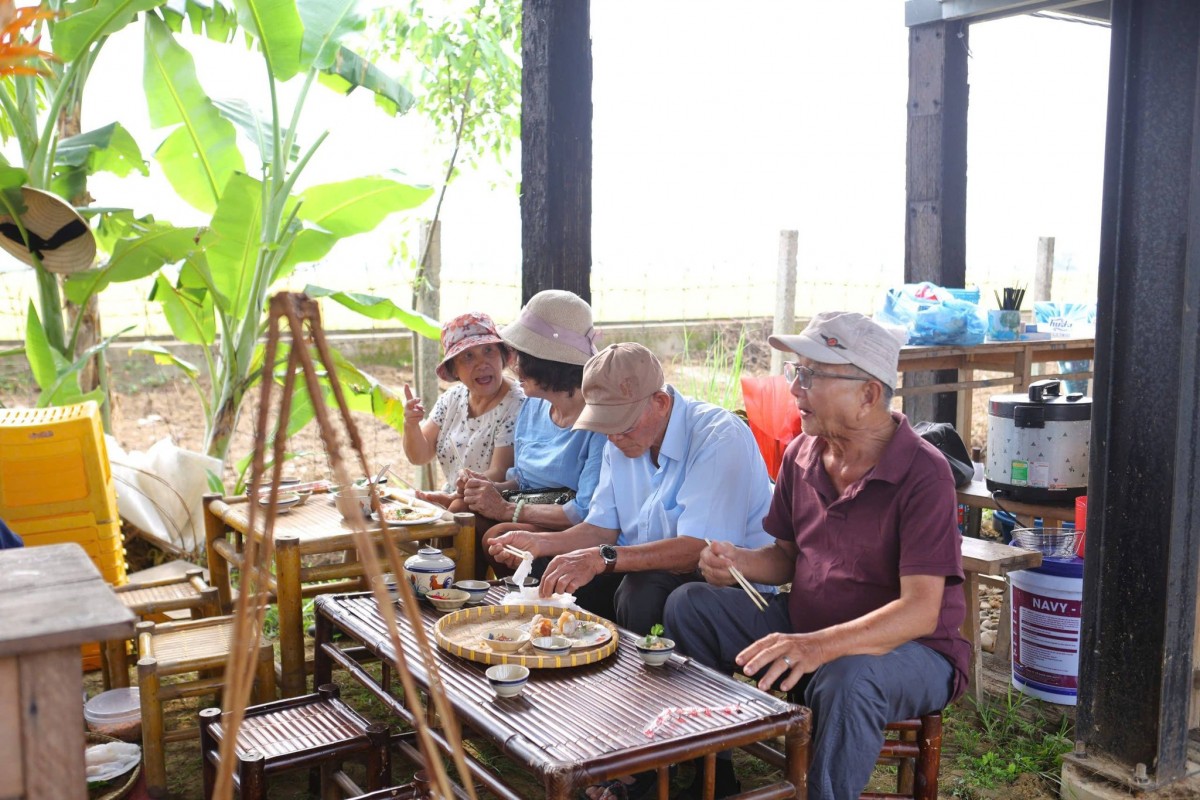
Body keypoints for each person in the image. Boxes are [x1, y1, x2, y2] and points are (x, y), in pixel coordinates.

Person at [664, 311, 971, 800]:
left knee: (849, 678)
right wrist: (738, 563)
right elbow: (786, 556)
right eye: (796, 373)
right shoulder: (802, 453)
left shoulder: (924, 473)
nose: (794, 389)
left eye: (811, 375)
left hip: (912, 651)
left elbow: (919, 611)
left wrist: (818, 647)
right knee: (691, 605)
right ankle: (711, 772)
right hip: (810, 625)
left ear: (868, 394)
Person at [488, 341, 774, 637]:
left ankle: (649, 681)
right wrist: (539, 543)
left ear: (660, 403)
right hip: (646, 570)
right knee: (548, 570)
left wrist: (601, 558)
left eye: (622, 425)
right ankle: (579, 670)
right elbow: (601, 529)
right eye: (605, 426)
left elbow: (696, 549)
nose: (613, 438)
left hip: (727, 588)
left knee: (641, 591)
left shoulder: (718, 436)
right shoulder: (622, 438)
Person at [458, 291, 607, 575]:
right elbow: (522, 481)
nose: (512, 366)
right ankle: (465, 599)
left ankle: (517, 604)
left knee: (497, 536)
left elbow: (584, 511)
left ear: (546, 362)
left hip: (572, 528)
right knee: (460, 512)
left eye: (520, 356)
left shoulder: (599, 421)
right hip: (530, 508)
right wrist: (485, 490)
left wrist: (504, 509)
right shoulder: (533, 406)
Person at [403, 312, 524, 511]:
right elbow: (419, 456)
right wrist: (411, 424)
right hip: (455, 500)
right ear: (454, 369)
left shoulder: (516, 404)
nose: (482, 363)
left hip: (493, 505)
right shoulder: (452, 399)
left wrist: (453, 498)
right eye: (468, 356)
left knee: (456, 509)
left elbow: (499, 471)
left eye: (488, 350)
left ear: (502, 357)